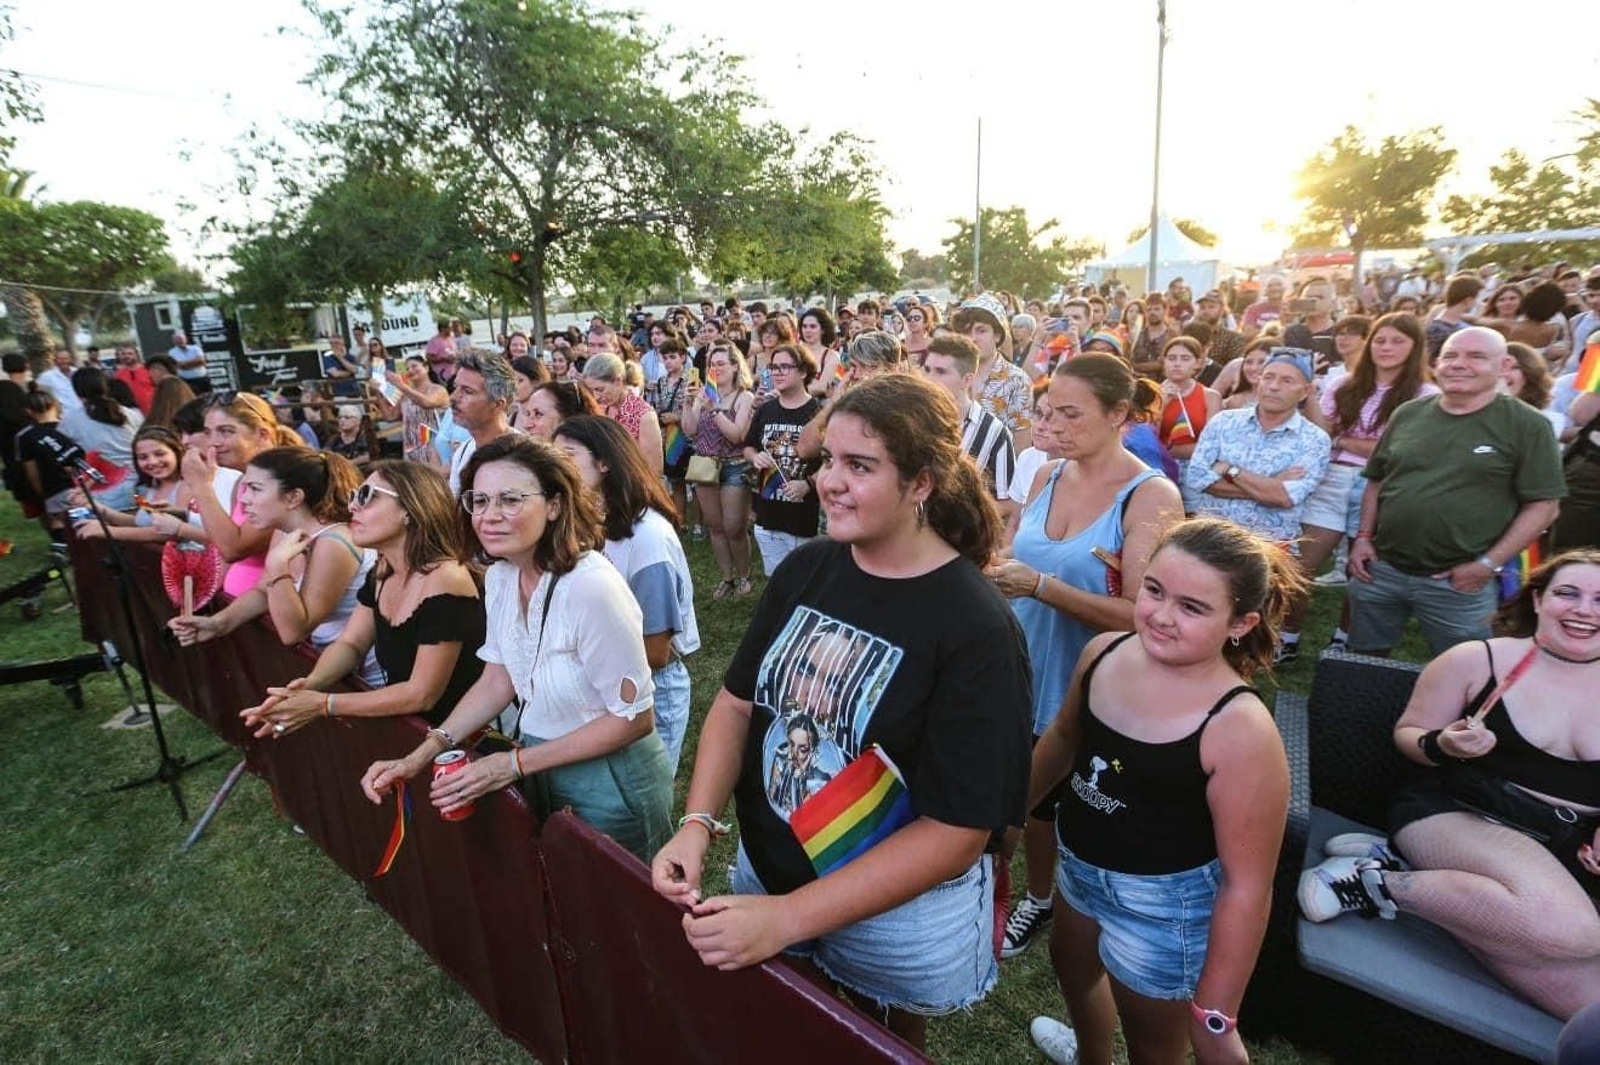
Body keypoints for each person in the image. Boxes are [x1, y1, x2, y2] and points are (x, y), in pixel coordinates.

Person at [651, 373, 1032, 1052]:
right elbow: (737, 704)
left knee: (877, 1041)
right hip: (769, 870)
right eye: (828, 459)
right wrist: (696, 825)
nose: (829, 481)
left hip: (890, 914)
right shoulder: (810, 567)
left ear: (921, 482)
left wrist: (786, 919)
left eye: (860, 465)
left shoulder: (976, 625)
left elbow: (958, 831)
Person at [1027, 519, 1302, 1065]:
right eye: (1153, 590)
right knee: (1072, 970)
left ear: (1240, 623)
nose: (1160, 615)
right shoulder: (1103, 653)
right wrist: (1000, 818)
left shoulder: (1239, 727)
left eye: (1192, 607)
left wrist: (1216, 1012)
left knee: (1154, 1045)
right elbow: (1061, 740)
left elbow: (1248, 886)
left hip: (1164, 907)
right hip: (1078, 867)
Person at [1299, 550, 1600, 1021]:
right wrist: (1444, 744)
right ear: (1538, 600)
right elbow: (1409, 736)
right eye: (1568, 593)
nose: (1585, 610)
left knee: (1590, 1006)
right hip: (1460, 812)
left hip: (1563, 848)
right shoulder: (1478, 660)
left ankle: (1440, 890)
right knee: (1577, 932)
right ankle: (1377, 880)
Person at [359, 437, 673, 863]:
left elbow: (633, 719)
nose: (489, 516)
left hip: (613, 780)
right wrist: (422, 754)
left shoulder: (591, 587)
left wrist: (511, 765)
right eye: (479, 500)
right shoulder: (502, 577)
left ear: (554, 505)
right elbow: (497, 678)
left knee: (620, 897)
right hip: (541, 763)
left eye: (510, 500)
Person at [985, 353, 1185, 962]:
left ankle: (1041, 897)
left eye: (1071, 414)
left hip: (1081, 681)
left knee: (1045, 806)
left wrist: (1040, 587)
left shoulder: (1150, 496)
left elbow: (1144, 615)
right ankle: (991, 888)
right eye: (1049, 412)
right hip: (1014, 664)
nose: (1055, 426)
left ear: (1118, 414)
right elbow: (1015, 552)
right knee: (1000, 789)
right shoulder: (1046, 475)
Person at [1348, 327, 1567, 656]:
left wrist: (1486, 564)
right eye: (1450, 355)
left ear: (1503, 365)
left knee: (1468, 666)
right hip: (1381, 568)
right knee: (1362, 659)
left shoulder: (1527, 425)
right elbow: (1376, 480)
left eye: (1476, 356)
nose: (1458, 364)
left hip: (1459, 580)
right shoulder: (1408, 413)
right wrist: (1363, 537)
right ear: (1436, 364)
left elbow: (1544, 506)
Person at [238, 461, 484, 737]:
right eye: (355, 495)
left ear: (409, 510)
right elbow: (352, 643)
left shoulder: (447, 578)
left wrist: (323, 704)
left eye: (368, 496)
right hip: (413, 730)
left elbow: (421, 694)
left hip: (462, 739)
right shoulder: (384, 569)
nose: (353, 505)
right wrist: (309, 686)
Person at [554, 416, 699, 774]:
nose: (556, 468)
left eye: (568, 456)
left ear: (604, 462)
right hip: (599, 679)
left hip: (648, 688)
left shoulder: (648, 539)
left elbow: (657, 651)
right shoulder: (585, 526)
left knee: (641, 794)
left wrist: (576, 655)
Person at [170, 447, 384, 686]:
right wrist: (218, 623)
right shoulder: (284, 530)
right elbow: (264, 591)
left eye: (255, 489)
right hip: (332, 664)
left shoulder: (334, 542)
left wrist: (277, 565)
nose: (244, 499)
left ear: (293, 498)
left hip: (368, 676)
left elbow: (294, 631)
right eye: (245, 488)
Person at [1186, 349, 1332, 663]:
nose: (1273, 386)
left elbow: (1285, 497)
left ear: (1306, 391)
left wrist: (1230, 469)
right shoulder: (1224, 422)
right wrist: (1268, 485)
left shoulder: (1314, 440)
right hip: (1212, 542)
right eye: (1268, 377)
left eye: (1287, 380)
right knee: (1198, 621)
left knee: (1248, 636)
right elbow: (1197, 478)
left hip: (1268, 550)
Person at [1308, 312, 1439, 648]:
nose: (1386, 347)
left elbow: (1399, 452)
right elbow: (1323, 435)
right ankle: (1287, 638)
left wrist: (1344, 440)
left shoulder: (1425, 394)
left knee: (1360, 569)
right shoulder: (1345, 384)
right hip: (1332, 478)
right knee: (1302, 562)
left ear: (1415, 346)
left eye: (1397, 341)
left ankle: (1343, 638)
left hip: (1379, 485)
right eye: (1380, 340)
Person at [181, 391, 302, 599]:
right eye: (208, 432)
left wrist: (201, 486)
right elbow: (224, 550)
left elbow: (233, 549)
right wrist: (204, 597)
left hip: (268, 608)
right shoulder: (244, 480)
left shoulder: (285, 481)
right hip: (237, 604)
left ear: (262, 435)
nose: (214, 442)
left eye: (226, 431)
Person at [682, 343, 757, 599]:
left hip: (735, 466)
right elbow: (690, 430)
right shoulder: (703, 394)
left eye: (721, 363)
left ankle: (745, 575)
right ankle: (727, 578)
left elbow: (737, 436)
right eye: (712, 365)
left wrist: (713, 408)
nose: (716, 368)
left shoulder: (744, 397)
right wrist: (688, 403)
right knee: (715, 527)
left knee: (734, 527)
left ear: (736, 366)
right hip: (705, 466)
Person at [741, 343, 822, 576]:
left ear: (803, 371)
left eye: (785, 367)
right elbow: (748, 447)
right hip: (767, 515)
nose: (777, 373)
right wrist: (755, 457)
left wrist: (808, 484)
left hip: (804, 518)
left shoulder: (818, 413)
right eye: (773, 367)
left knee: (806, 582)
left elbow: (833, 461)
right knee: (777, 581)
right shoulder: (766, 410)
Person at [919, 334, 1014, 502]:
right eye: (926, 370)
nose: (929, 379)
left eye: (941, 372)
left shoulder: (994, 433)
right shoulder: (911, 419)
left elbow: (1007, 502)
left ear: (967, 380)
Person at [72, 426, 203, 544]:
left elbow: (170, 533)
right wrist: (99, 509)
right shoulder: (154, 485)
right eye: (143, 457)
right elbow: (141, 523)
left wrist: (108, 531)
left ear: (177, 451)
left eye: (160, 454)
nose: (152, 462)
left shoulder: (187, 485)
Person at [955, 294, 1033, 452]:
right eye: (967, 331)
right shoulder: (950, 372)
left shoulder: (1017, 380)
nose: (973, 338)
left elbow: (1021, 445)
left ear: (997, 335)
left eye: (981, 330)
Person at [59, 367, 145, 510]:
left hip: (104, 493)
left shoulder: (70, 422)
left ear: (77, 392)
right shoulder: (133, 414)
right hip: (141, 485)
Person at [1157, 336, 1222, 510]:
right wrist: (1163, 403)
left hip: (1196, 469)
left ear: (1198, 363)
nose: (1177, 364)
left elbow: (1211, 445)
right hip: (1160, 468)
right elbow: (1147, 437)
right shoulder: (1151, 394)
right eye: (1172, 358)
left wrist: (1168, 449)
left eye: (1185, 358)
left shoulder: (1211, 396)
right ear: (1164, 362)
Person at [445, 351, 519, 495]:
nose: (453, 397)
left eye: (467, 391)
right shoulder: (462, 452)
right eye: (455, 388)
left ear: (497, 404)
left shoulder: (521, 455)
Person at [582, 352, 663, 480]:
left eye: (600, 389)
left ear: (618, 381)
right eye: (591, 390)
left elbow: (654, 471)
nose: (596, 397)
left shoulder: (644, 416)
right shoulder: (599, 410)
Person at [37, 349, 82, 417]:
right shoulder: (46, 376)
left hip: (83, 414)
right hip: (63, 417)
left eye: (66, 358)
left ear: (70, 359)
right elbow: (39, 395)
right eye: (60, 359)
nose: (63, 361)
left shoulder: (78, 372)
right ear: (55, 361)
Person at [110, 346, 154, 413]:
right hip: (132, 413)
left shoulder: (148, 370)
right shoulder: (118, 375)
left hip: (152, 410)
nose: (126, 356)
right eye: (123, 354)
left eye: (130, 353)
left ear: (137, 355)